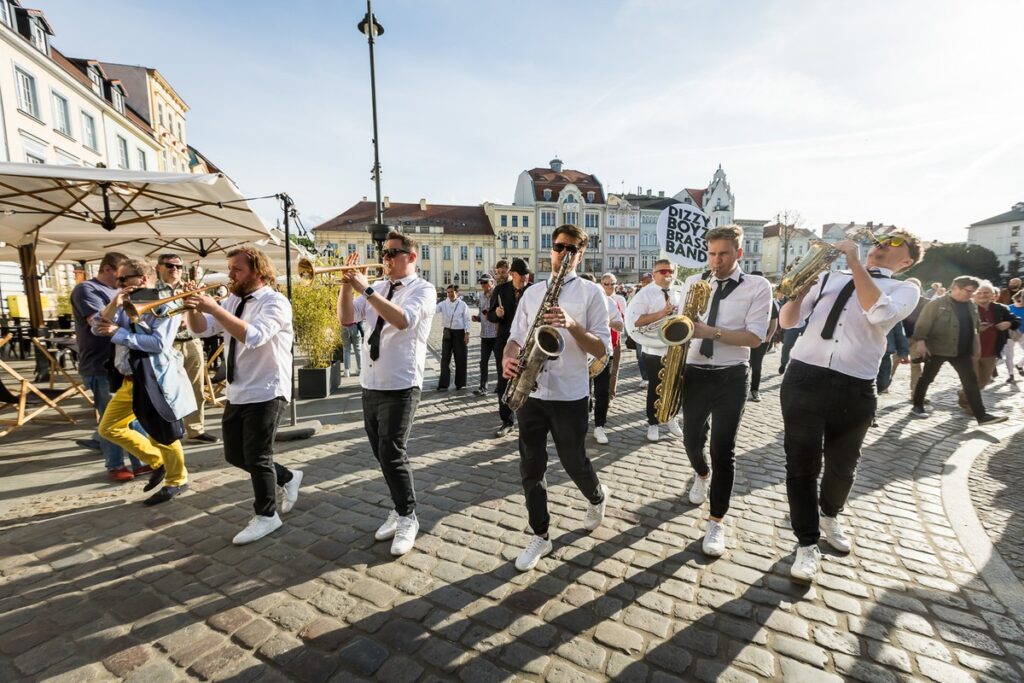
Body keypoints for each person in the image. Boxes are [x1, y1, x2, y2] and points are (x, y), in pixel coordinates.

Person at [779, 230, 923, 582]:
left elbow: (876, 313)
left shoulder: (905, 289)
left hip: (853, 385)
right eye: (881, 241)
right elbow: (788, 322)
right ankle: (806, 543)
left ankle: (830, 513)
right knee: (801, 465)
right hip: (804, 377)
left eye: (893, 246)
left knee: (842, 468)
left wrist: (856, 262)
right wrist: (797, 294)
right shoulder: (829, 277)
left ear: (906, 261)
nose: (881, 246)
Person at [503, 224, 611, 571]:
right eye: (557, 246)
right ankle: (541, 534)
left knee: (573, 460)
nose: (562, 253)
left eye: (570, 248)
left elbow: (601, 350)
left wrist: (571, 324)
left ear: (580, 254)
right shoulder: (534, 292)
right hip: (532, 389)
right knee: (530, 467)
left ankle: (597, 495)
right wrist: (509, 356)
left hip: (570, 393)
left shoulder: (593, 293)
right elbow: (515, 336)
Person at [185, 247, 303, 545]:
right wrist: (192, 307)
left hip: (267, 388)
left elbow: (254, 336)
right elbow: (201, 331)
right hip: (238, 389)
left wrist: (215, 308)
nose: (230, 274)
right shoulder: (232, 300)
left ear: (257, 271)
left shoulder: (276, 302)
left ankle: (267, 516)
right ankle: (288, 477)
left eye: (236, 268)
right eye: (229, 268)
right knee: (234, 454)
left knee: (258, 455)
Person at [336, 232, 436, 556]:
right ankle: (399, 507)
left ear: (412, 257)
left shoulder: (423, 289)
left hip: (402, 383)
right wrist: (344, 285)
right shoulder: (377, 288)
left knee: (393, 452)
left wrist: (364, 288)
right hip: (371, 383)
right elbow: (347, 318)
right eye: (385, 252)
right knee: (381, 453)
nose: (387, 258)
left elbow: (403, 319)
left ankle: (408, 516)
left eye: (394, 253)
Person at [678, 226, 772, 556]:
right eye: (712, 254)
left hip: (732, 375)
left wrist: (711, 332)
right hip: (694, 373)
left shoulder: (758, 286)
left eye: (724, 254)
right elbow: (681, 325)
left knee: (723, 448)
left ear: (739, 254)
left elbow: (755, 337)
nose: (716, 261)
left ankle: (716, 521)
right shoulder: (693, 284)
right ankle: (701, 474)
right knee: (691, 439)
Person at [94, 258, 196, 505]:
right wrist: (112, 304)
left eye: (122, 279)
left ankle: (177, 480)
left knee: (164, 432)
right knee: (108, 428)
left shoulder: (164, 303)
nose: (117, 283)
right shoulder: (121, 302)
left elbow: (159, 344)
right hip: (129, 380)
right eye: (117, 278)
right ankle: (157, 462)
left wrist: (118, 333)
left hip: (154, 378)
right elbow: (98, 329)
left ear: (141, 279)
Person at [70, 251, 147, 481]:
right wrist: (118, 302)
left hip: (124, 363)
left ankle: (141, 461)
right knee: (110, 418)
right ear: (107, 269)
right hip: (100, 363)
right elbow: (98, 324)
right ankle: (115, 464)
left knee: (132, 416)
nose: (123, 280)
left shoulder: (120, 289)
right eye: (120, 275)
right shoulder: (87, 290)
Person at [911, 276, 1007, 425]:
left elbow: (975, 328)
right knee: (927, 378)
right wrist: (921, 343)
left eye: (973, 292)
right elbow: (922, 325)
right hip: (938, 349)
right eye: (968, 291)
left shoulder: (971, 305)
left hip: (962, 351)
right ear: (955, 288)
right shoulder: (937, 304)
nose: (971, 295)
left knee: (971, 383)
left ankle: (981, 416)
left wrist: (977, 347)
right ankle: (917, 405)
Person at [155, 253, 219, 445]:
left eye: (178, 266)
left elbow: (201, 312)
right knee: (166, 389)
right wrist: (175, 319)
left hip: (191, 341)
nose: (175, 269)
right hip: (167, 343)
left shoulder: (188, 287)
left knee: (196, 387)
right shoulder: (152, 291)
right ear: (159, 267)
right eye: (169, 265)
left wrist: (195, 308)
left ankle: (195, 429)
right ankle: (169, 430)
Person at [628, 260, 684, 442]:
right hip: (653, 349)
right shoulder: (645, 294)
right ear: (654, 274)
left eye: (670, 271)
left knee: (675, 386)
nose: (667, 274)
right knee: (656, 387)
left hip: (675, 348)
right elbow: (635, 321)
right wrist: (662, 313)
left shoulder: (678, 292)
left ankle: (671, 417)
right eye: (662, 271)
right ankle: (653, 423)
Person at [488, 258, 532, 437]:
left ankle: (528, 419)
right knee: (504, 381)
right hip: (505, 342)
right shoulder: (500, 290)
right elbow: (490, 316)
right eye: (521, 276)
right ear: (512, 275)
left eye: (526, 275)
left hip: (529, 344)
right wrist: (496, 314)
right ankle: (507, 421)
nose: (524, 279)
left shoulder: (533, 290)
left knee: (529, 381)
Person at [972, 282, 1020, 389]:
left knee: (983, 382)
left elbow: (1016, 320)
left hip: (991, 351)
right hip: (971, 351)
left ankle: (964, 396)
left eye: (986, 293)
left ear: (993, 295)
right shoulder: (968, 308)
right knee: (972, 380)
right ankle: (970, 403)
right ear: (974, 294)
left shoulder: (1001, 308)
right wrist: (976, 329)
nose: (982, 295)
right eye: (979, 293)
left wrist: (1009, 323)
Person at [747, 273, 778, 402]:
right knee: (743, 364)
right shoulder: (745, 296)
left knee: (756, 365)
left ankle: (754, 390)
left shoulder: (769, 300)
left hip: (761, 339)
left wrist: (769, 337)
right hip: (743, 338)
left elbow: (774, 321)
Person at [435, 284, 470, 391]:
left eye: (452, 292)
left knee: (460, 358)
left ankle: (460, 383)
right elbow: (434, 309)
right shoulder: (443, 304)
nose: (450, 294)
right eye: (448, 292)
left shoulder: (463, 305)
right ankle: (443, 384)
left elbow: (467, 319)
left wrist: (467, 333)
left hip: (459, 333)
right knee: (445, 359)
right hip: (447, 333)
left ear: (457, 293)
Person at [600, 272, 627, 401]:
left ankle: (610, 396)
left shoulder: (620, 299)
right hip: (599, 338)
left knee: (613, 369)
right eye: (607, 284)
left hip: (615, 338)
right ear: (601, 284)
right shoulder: (597, 297)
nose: (610, 287)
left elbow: (623, 319)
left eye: (613, 284)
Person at [473, 274, 499, 396]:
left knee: (499, 362)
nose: (483, 285)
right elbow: (482, 314)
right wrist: (477, 318)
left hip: (496, 334)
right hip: (484, 335)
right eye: (481, 283)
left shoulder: (497, 294)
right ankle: (483, 387)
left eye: (485, 282)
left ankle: (500, 385)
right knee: (483, 362)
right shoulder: (481, 296)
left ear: (492, 282)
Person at [634, 272, 654, 381]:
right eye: (644, 282)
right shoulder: (637, 294)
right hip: (639, 329)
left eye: (648, 281)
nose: (646, 284)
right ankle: (645, 378)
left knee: (651, 354)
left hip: (653, 329)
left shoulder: (658, 293)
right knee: (640, 355)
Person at [1008, 291, 1024, 378]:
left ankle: (1019, 365)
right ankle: (1011, 375)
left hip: (1023, 334)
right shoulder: (1008, 308)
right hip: (1011, 333)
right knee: (1009, 354)